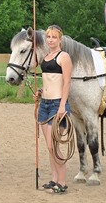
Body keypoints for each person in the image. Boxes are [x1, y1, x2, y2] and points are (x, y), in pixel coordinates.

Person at [34, 25, 72, 194]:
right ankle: (54, 179)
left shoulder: (63, 57)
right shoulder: (45, 57)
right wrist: (40, 92)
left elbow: (66, 82)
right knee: (49, 146)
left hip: (57, 105)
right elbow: (49, 81)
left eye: (54, 37)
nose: (50, 39)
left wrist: (63, 105)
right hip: (44, 104)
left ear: (60, 39)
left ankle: (62, 182)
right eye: (48, 37)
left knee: (53, 145)